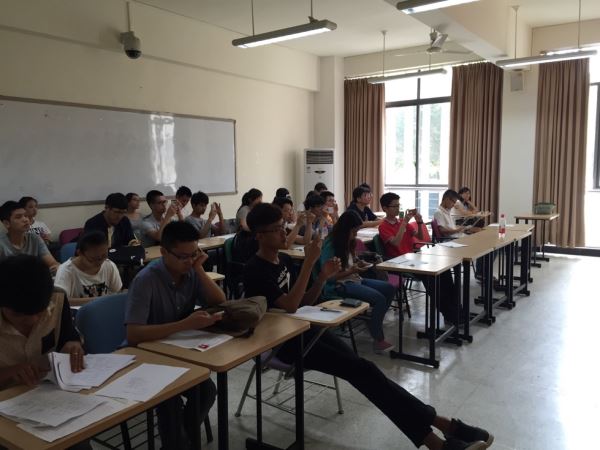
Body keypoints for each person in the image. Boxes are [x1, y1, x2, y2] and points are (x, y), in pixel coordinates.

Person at [242, 203, 493, 450]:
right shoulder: (254, 269)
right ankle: (442, 430)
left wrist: (322, 276)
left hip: (304, 329)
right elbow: (289, 305)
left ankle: (439, 434)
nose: (284, 232)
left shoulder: (284, 260)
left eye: (282, 227)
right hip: (281, 342)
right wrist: (309, 264)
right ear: (259, 236)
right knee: (364, 371)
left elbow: (304, 302)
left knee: (365, 371)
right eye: (276, 229)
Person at [125, 221, 223, 449]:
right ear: (163, 252)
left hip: (176, 350)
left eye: (194, 254)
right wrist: (183, 325)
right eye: (183, 257)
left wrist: (199, 269)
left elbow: (220, 301)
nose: (189, 261)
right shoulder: (145, 280)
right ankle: (179, 443)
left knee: (206, 391)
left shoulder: (191, 272)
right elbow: (133, 334)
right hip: (143, 355)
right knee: (169, 399)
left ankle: (180, 443)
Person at [0, 255, 84, 387]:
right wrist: (8, 373)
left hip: (48, 389)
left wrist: (73, 345)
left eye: (41, 312)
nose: (33, 321)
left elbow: (68, 336)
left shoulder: (57, 298)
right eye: (18, 315)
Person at [379, 193, 460, 325]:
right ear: (385, 208)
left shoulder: (401, 222)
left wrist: (419, 222)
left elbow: (421, 237)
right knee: (432, 278)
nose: (398, 208)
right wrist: (404, 223)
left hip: (412, 258)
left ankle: (456, 310)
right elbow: (395, 243)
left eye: (398, 205)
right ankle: (449, 314)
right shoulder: (383, 226)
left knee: (445, 272)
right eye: (394, 206)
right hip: (399, 262)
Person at [320, 210, 394, 353]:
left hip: (353, 279)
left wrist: (358, 263)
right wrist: (352, 270)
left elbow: (351, 262)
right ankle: (378, 339)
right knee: (379, 299)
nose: (355, 234)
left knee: (389, 289)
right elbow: (328, 277)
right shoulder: (331, 244)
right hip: (339, 285)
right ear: (345, 229)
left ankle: (373, 321)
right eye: (354, 231)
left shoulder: (348, 241)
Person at [54, 231, 122, 305]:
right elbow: (60, 302)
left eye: (104, 256)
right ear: (80, 253)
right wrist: (98, 301)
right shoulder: (66, 270)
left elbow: (117, 293)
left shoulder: (109, 265)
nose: (99, 263)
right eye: (92, 259)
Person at [0, 201, 59, 272]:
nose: (25, 220)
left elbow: (53, 263)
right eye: (18, 217)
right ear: (6, 223)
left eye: (26, 215)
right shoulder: (1, 243)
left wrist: (56, 267)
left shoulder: (35, 238)